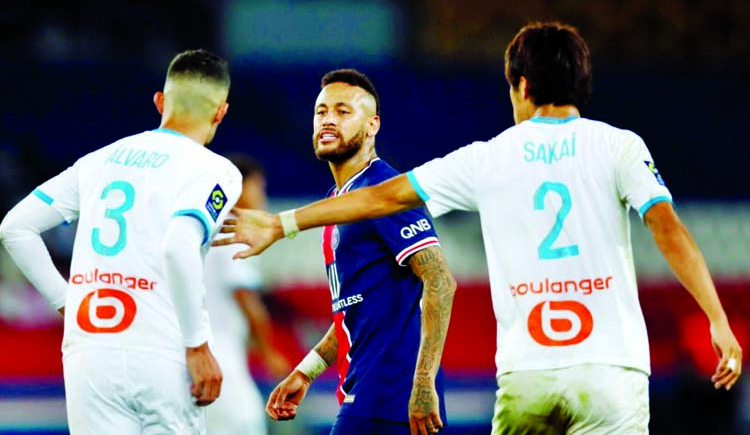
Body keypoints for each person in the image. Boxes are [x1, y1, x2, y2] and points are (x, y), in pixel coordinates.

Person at [215, 23, 743, 435]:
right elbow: (665, 226)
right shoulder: (619, 145)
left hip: (525, 374)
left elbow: (384, 199)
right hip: (609, 370)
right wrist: (716, 319)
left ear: (521, 84)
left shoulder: (489, 157)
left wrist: (282, 223)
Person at [0, 49, 241, 435]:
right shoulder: (216, 171)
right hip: (162, 351)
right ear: (221, 112)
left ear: (160, 101)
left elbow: (15, 227)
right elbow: (179, 247)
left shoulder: (98, 160)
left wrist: (67, 304)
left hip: (90, 352)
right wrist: (197, 346)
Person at [263, 69, 457, 435]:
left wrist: (422, 383)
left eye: (342, 111)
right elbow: (355, 310)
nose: (328, 120)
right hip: (367, 394)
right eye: (321, 112)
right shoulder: (339, 202)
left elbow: (440, 279)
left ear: (372, 126)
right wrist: (306, 372)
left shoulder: (384, 191)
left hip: (389, 398)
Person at [204, 153, 290, 435]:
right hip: (220, 352)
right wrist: (269, 352)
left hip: (202, 350)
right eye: (259, 186)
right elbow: (244, 297)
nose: (262, 195)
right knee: (246, 425)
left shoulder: (205, 228)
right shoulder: (231, 231)